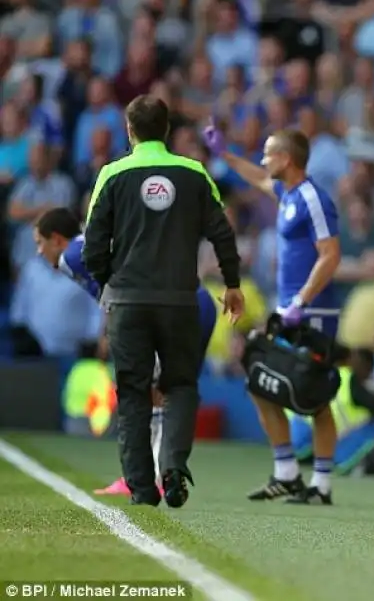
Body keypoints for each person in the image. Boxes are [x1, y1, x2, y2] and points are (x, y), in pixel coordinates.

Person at [82, 96, 243, 508]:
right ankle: (172, 468)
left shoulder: (112, 174)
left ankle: (140, 487)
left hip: (129, 301)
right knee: (181, 385)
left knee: (133, 392)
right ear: (168, 130)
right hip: (179, 300)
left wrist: (107, 284)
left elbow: (93, 244)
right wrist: (233, 283)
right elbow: (222, 233)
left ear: (129, 130)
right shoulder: (193, 172)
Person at [32, 207, 220, 497]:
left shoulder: (72, 256)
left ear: (56, 239)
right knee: (165, 393)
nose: (38, 252)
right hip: (196, 301)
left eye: (39, 243)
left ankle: (144, 477)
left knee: (146, 390)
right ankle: (156, 474)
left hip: (172, 307)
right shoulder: (90, 247)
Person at [202, 120, 343, 505]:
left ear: (285, 158)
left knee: (316, 396)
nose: (263, 161)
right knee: (258, 383)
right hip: (289, 309)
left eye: (267, 153)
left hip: (312, 310)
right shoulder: (288, 193)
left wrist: (300, 303)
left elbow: (331, 256)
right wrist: (225, 154)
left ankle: (322, 484)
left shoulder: (314, 199)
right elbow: (256, 178)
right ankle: (286, 473)